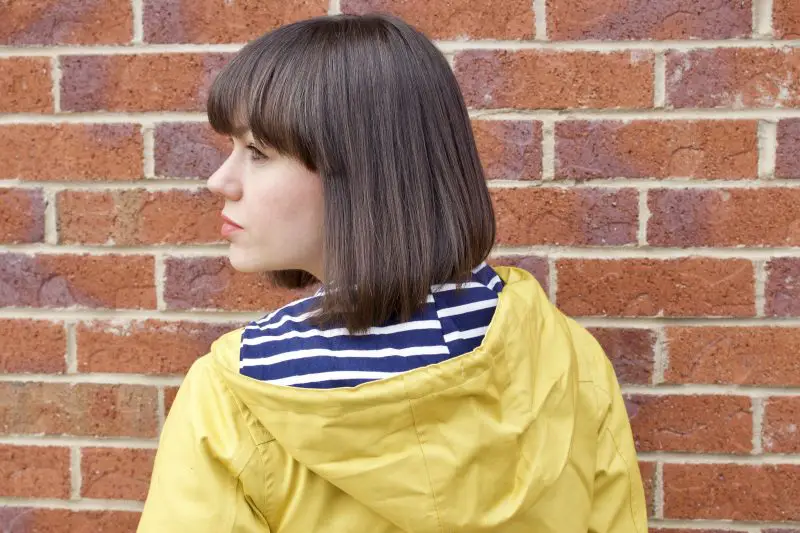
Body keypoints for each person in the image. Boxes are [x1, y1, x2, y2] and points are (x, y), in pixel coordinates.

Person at [138, 14, 647, 533]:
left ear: (360, 170)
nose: (219, 181)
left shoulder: (234, 395)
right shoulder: (565, 358)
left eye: (258, 153)